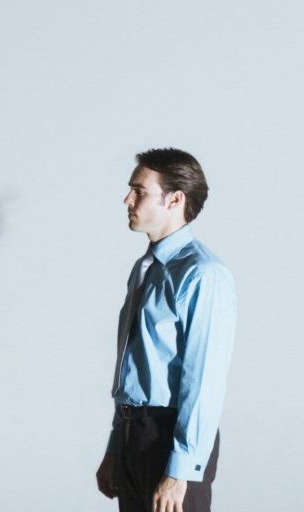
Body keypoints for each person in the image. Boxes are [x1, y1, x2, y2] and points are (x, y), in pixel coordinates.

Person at [96, 148, 237, 512]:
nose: (127, 199)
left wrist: (181, 470)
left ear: (174, 199)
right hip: (133, 436)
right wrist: (115, 445)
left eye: (139, 190)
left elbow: (204, 380)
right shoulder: (145, 268)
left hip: (170, 439)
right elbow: (133, 366)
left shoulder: (203, 274)